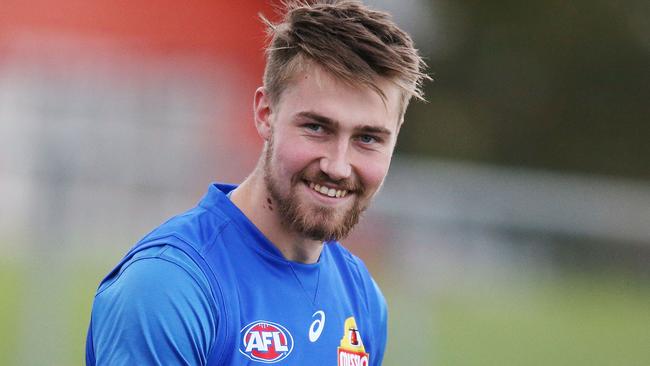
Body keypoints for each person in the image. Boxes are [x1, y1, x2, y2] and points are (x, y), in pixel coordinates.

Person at [85, 1, 428, 365]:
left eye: (368, 138)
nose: (338, 166)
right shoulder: (168, 287)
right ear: (266, 114)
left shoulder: (363, 299)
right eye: (316, 127)